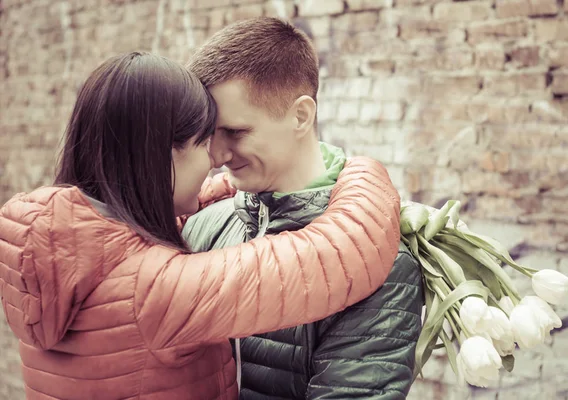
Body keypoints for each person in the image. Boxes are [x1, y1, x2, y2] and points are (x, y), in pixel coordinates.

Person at [0, 52, 402, 400]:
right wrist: (362, 171)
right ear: (158, 156)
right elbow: (348, 250)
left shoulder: (56, 255)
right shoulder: (154, 291)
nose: (215, 159)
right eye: (204, 142)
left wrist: (222, 190)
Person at [184, 17, 424, 399]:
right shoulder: (204, 225)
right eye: (210, 134)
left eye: (235, 132)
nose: (217, 154)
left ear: (300, 115)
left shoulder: (380, 264)